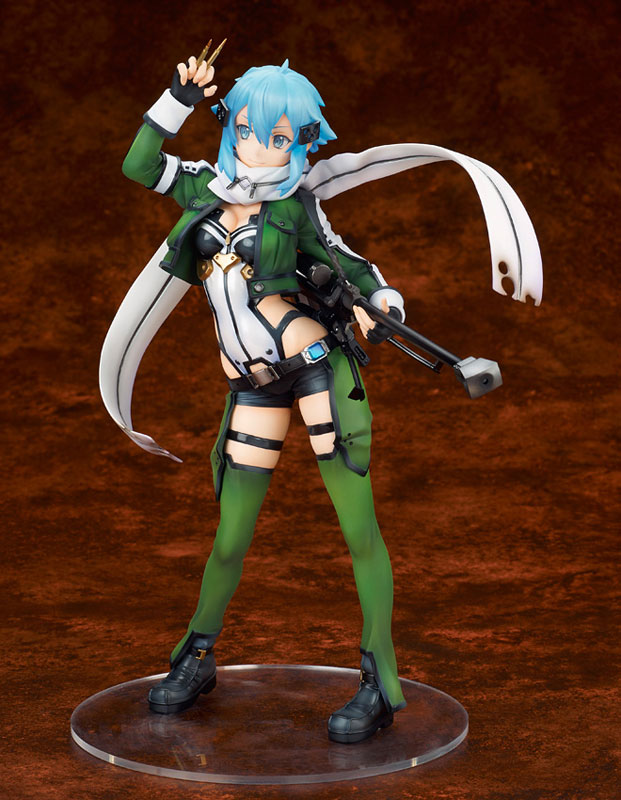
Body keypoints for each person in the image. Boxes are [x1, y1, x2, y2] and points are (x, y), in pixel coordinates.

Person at [101, 47, 541, 745]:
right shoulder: (202, 187)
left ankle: (379, 683)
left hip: (313, 369)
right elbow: (137, 163)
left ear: (301, 142)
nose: (260, 145)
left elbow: (350, 263)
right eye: (248, 128)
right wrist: (177, 99)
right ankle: (197, 656)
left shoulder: (295, 205)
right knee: (230, 536)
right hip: (251, 382)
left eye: (279, 137)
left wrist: (383, 300)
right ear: (231, 124)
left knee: (357, 530)